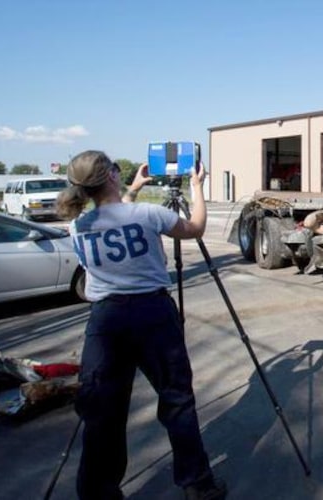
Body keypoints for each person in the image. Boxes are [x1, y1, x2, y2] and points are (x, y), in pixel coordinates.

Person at [56, 150, 226, 500]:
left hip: (106, 321)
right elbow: (194, 229)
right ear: (112, 176)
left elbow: (114, 215)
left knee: (103, 410)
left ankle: (97, 492)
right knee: (176, 400)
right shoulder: (148, 214)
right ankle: (197, 484)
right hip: (152, 314)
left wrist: (134, 187)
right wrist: (197, 187)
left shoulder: (78, 225)